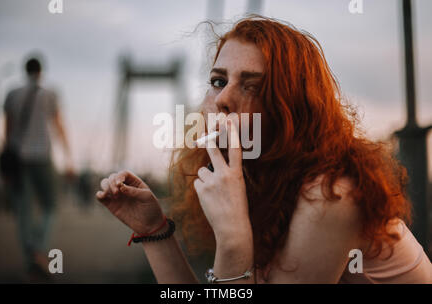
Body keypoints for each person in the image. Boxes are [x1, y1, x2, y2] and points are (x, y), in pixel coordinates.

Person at [97, 16, 431, 283]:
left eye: (252, 85)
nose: (224, 98)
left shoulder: (330, 195)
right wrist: (154, 229)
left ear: (292, 108)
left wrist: (233, 237)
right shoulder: (259, 184)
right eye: (218, 81)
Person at [3, 56, 73, 280]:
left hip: (19, 159)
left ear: (25, 70)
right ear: (41, 71)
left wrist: (6, 158)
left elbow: (8, 129)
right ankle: (40, 249)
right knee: (51, 205)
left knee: (24, 209)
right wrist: (69, 155)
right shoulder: (50, 93)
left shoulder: (12, 93)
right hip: (43, 155)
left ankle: (30, 257)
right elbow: (59, 125)